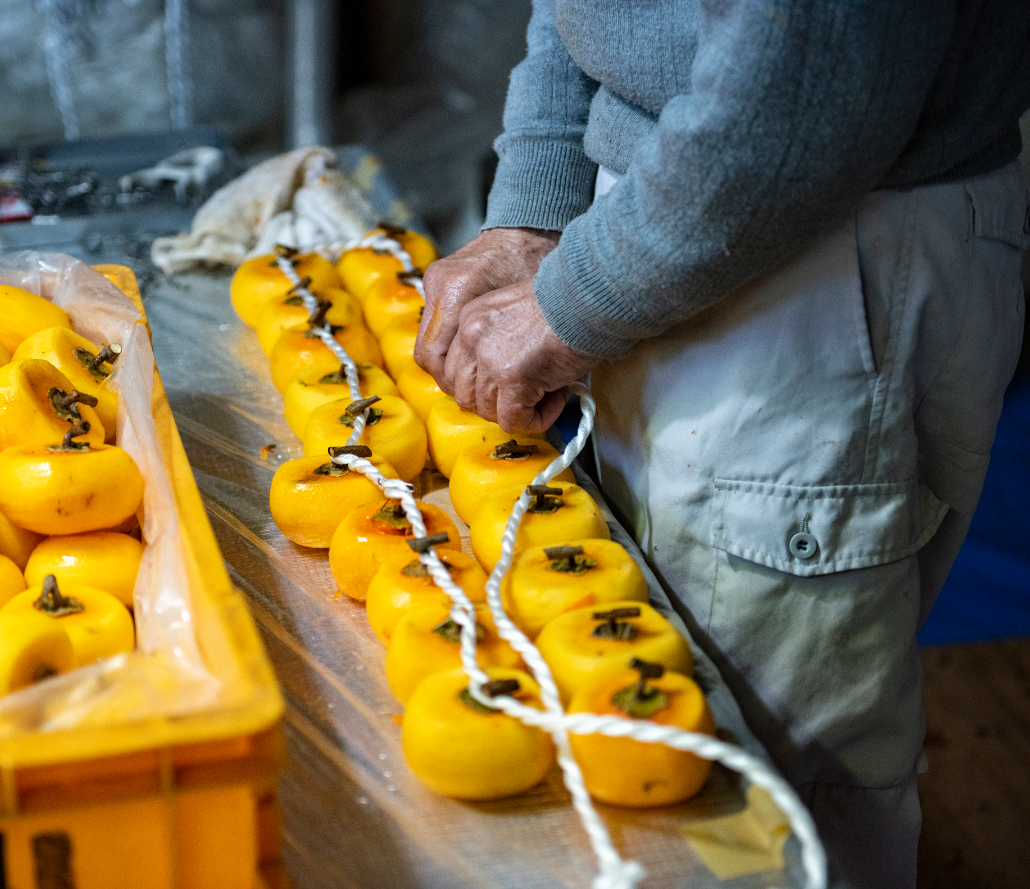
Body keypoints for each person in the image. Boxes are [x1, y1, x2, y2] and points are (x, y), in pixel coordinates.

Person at [415, 2, 1030, 886]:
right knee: (675, 710)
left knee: (767, 800)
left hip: (810, 232)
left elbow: (806, 94)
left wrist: (573, 298)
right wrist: (535, 211)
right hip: (676, 208)